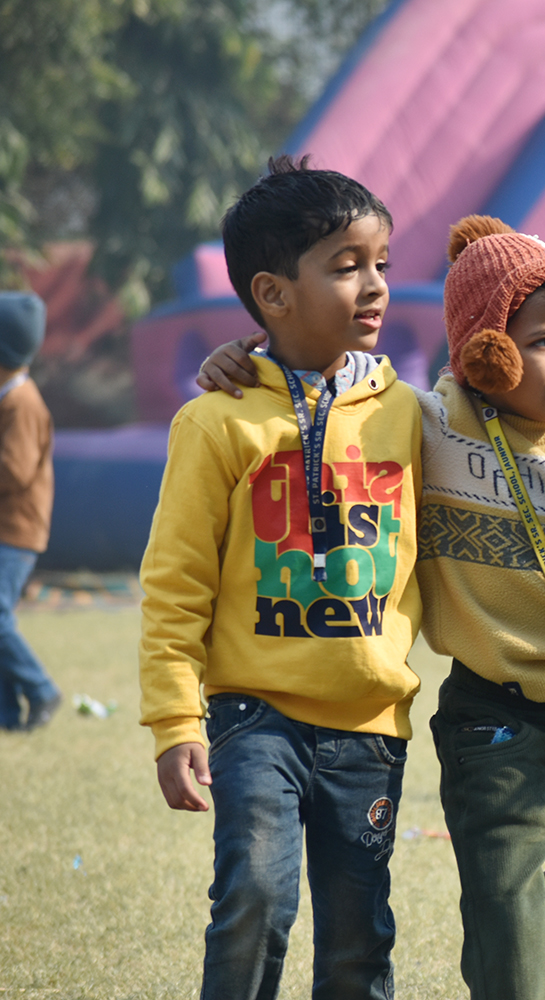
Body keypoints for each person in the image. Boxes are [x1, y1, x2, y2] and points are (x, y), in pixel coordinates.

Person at [197, 215, 545, 1000]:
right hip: (495, 724)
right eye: (544, 342)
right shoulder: (431, 426)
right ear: (486, 353)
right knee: (509, 940)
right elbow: (332, 386)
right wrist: (249, 357)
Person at [138, 157, 425, 998]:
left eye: (381, 263)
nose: (375, 285)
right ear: (272, 293)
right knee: (255, 900)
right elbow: (176, 586)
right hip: (253, 716)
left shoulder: (413, 414)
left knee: (359, 937)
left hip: (371, 725)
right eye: (346, 266)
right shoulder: (216, 421)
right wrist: (174, 722)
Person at [0, 291, 61, 732]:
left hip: (16, 531)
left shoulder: (22, 403)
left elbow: (13, 471)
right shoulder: (9, 397)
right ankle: (7, 714)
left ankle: (41, 689)